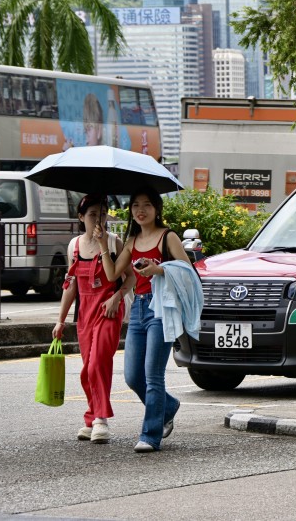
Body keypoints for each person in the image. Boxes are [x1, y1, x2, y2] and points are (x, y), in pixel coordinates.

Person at [52, 194, 133, 444]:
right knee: (87, 368)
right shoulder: (74, 246)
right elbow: (71, 284)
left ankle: (100, 419)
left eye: (102, 214)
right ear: (81, 217)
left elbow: (130, 278)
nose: (99, 219)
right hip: (85, 311)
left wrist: (117, 297)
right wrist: (61, 320)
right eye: (92, 215)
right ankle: (91, 417)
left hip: (108, 309)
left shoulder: (114, 242)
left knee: (99, 361)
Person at [114, 187, 190, 453]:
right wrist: (101, 242)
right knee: (134, 376)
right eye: (135, 205)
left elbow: (187, 272)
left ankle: (150, 435)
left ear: (157, 209)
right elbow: (113, 274)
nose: (140, 210)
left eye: (146, 205)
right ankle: (168, 407)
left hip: (161, 310)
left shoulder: (168, 237)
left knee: (153, 376)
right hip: (138, 309)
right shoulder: (132, 240)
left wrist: (159, 269)